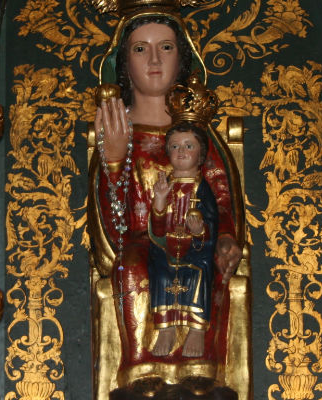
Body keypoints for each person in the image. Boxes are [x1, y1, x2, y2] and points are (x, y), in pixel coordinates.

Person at [90, 11, 243, 388]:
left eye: (166, 48)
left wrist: (224, 235)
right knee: (132, 267)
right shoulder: (119, 134)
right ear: (125, 63)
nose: (155, 60)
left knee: (205, 264)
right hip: (145, 243)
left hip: (197, 241)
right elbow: (114, 222)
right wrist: (114, 160)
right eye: (141, 49)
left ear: (182, 60)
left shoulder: (200, 136)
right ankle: (143, 367)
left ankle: (199, 365)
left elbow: (222, 198)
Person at [149, 122, 218, 358]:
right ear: (167, 152)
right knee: (160, 273)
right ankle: (166, 328)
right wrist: (159, 200)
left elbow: (211, 223)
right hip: (167, 248)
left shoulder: (202, 189)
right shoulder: (165, 185)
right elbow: (157, 230)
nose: (181, 151)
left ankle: (196, 329)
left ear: (201, 155)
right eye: (175, 146)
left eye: (189, 146)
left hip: (196, 251)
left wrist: (199, 231)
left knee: (197, 273)